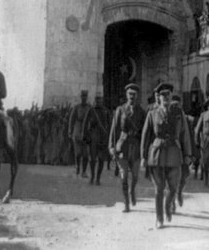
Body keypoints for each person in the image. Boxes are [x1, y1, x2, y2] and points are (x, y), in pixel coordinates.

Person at [141, 83, 192, 229]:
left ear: (171, 96)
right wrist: (143, 157)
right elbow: (146, 136)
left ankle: (168, 204)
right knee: (159, 188)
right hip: (157, 153)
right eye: (163, 95)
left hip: (174, 153)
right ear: (159, 97)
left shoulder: (178, 113)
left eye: (168, 94)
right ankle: (159, 218)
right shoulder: (152, 114)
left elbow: (185, 134)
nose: (166, 97)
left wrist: (188, 153)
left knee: (173, 188)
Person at [109, 83, 146, 213]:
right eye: (130, 94)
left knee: (135, 176)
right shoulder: (120, 110)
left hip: (135, 147)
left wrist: (144, 150)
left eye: (134, 94)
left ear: (137, 96)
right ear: (126, 95)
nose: (132, 96)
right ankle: (126, 203)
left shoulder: (142, 112)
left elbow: (144, 132)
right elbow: (114, 129)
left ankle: (132, 191)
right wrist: (111, 147)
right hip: (122, 146)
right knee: (124, 176)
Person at [82, 93, 111, 185]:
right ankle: (92, 177)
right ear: (95, 100)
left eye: (100, 99)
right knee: (93, 159)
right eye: (97, 99)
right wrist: (85, 136)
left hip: (103, 137)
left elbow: (110, 125)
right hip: (93, 137)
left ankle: (98, 178)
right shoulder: (91, 111)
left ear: (102, 100)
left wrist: (109, 137)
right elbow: (85, 123)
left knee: (101, 159)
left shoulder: (106, 111)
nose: (98, 101)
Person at [68, 90, 91, 177]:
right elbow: (72, 119)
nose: (84, 98)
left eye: (85, 96)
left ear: (87, 97)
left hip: (86, 132)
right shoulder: (76, 107)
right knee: (78, 153)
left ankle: (84, 171)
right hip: (77, 130)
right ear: (81, 97)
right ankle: (77, 166)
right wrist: (70, 131)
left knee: (85, 154)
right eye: (82, 96)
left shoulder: (90, 107)